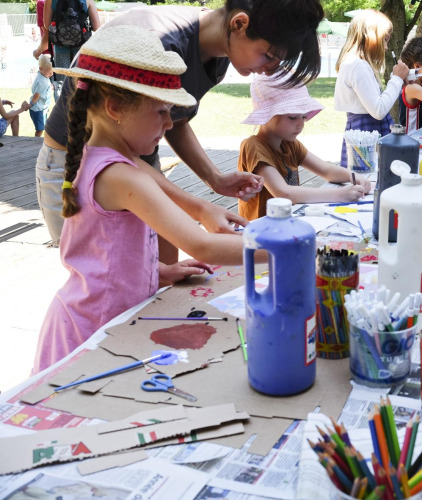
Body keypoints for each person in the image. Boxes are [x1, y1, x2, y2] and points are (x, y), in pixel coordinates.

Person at [33, 26, 265, 374]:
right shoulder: (120, 176)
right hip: (93, 334)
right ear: (115, 108)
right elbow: (202, 246)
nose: (170, 124)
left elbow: (100, 256)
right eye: (160, 112)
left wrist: (155, 272)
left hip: (92, 318)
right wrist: (288, 249)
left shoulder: (110, 159)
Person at [36, 0, 324, 247]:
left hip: (137, 160)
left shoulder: (219, 55)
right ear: (239, 24)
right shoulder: (157, 44)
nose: (268, 69)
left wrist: (215, 179)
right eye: (269, 56)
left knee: (155, 263)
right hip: (76, 162)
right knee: (101, 273)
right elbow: (127, 157)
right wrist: (198, 208)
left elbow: (177, 119)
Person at [238, 75, 372, 220]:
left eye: (304, 116)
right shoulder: (253, 146)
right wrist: (340, 195)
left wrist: (354, 177)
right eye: (293, 117)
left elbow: (326, 170)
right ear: (268, 116)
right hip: (261, 231)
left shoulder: (289, 143)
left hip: (288, 223)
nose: (301, 124)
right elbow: (284, 193)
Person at [334, 9, 409, 168]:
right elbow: (378, 110)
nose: (387, 48)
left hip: (368, 129)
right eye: (385, 40)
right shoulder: (357, 66)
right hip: (366, 132)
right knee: (367, 178)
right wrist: (396, 79)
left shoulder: (357, 64)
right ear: (372, 38)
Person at [35, 0, 100, 98]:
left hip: (60, 49)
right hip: (82, 51)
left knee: (61, 86)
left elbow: (47, 25)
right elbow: (96, 27)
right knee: (82, 84)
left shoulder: (50, 1)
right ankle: (80, 110)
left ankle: (62, 110)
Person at [29, 54, 54, 138]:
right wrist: (30, 104)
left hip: (42, 108)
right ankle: (36, 141)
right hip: (37, 109)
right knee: (40, 129)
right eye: (49, 72)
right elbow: (36, 95)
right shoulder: (42, 81)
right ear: (41, 69)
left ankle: (40, 141)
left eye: (52, 71)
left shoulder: (42, 75)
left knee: (44, 126)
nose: (51, 74)